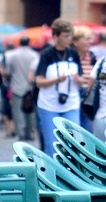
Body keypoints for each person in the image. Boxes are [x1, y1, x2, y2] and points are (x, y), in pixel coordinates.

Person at [33, 18, 84, 155]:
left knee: (74, 141)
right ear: (55, 36)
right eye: (65, 36)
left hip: (71, 103)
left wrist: (78, 79)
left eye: (70, 35)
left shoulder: (73, 53)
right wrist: (56, 80)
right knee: (52, 144)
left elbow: (81, 77)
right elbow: (38, 81)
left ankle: (71, 173)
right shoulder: (47, 54)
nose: (69, 39)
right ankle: (52, 174)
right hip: (49, 104)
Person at [0, 36, 39, 142]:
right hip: (30, 88)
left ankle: (21, 132)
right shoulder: (34, 55)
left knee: (18, 111)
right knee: (30, 111)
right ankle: (30, 133)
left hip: (16, 86)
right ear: (29, 42)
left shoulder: (13, 55)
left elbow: (7, 72)